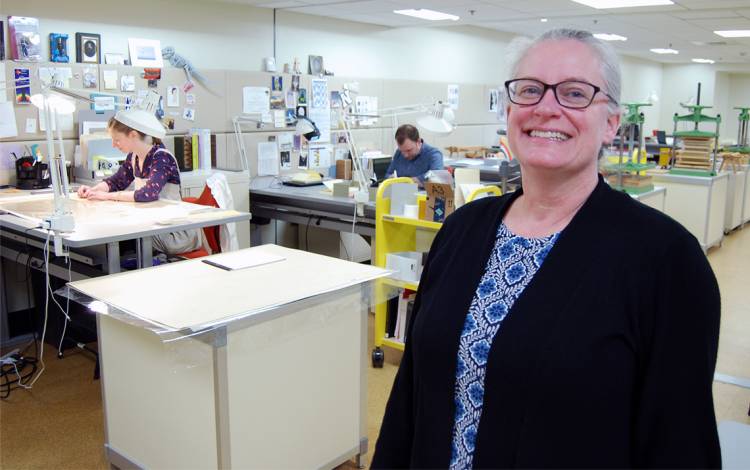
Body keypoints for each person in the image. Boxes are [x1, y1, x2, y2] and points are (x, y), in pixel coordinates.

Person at [372, 28, 721, 469]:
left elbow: (679, 445)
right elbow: (410, 394)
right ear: (511, 110)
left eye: (575, 93)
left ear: (611, 123)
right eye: (530, 90)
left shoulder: (666, 261)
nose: (547, 108)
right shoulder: (462, 229)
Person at [77, 109, 202, 255]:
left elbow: (148, 194)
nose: (113, 145)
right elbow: (116, 182)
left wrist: (107, 196)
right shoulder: (134, 157)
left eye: (117, 140)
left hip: (174, 234)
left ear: (133, 135)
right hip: (153, 226)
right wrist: (94, 190)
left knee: (120, 238)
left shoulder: (161, 158)